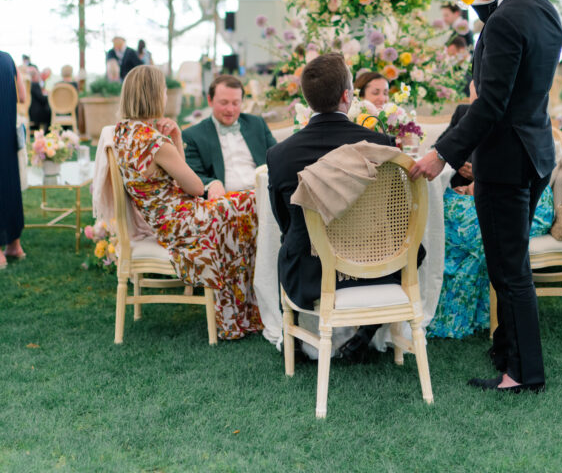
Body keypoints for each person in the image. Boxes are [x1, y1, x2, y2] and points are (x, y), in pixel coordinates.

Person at [412, 0, 562, 393]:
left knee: (508, 269)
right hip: (536, 153)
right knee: (510, 263)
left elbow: (491, 104)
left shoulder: (505, 20)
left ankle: (521, 374)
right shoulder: (544, 12)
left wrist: (443, 153)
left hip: (504, 160)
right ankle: (507, 353)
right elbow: (505, 40)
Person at [112, 65, 261, 340]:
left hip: (164, 220)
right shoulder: (155, 142)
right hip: (182, 222)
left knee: (243, 205)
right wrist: (172, 142)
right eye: (164, 91)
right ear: (155, 95)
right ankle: (239, 313)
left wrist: (177, 137)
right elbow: (193, 187)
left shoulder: (123, 134)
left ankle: (239, 311)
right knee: (251, 204)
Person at [267, 53, 395, 362]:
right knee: (411, 249)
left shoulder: (280, 155)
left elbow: (284, 221)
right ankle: (365, 333)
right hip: (377, 269)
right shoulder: (383, 146)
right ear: (347, 96)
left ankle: (295, 338)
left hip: (311, 273)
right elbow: (393, 216)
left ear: (307, 99)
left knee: (288, 244)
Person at [429, 102, 554, 338]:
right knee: (445, 210)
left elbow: (508, 164)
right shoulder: (468, 112)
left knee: (445, 213)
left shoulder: (507, 114)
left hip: (519, 194)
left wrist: (478, 178)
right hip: (498, 189)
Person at [182, 75, 276, 193]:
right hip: (226, 201)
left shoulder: (257, 123)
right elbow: (193, 175)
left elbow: (277, 158)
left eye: (235, 103)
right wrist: (211, 183)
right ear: (210, 100)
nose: (230, 110)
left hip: (264, 194)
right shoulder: (192, 135)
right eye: (224, 103)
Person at [0, 52, 27, 267]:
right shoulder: (8, 59)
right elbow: (23, 96)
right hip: (7, 136)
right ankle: (14, 246)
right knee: (9, 184)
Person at [28, 66, 51, 132]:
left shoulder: (30, 84)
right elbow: (42, 99)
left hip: (31, 111)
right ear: (35, 76)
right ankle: (47, 131)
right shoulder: (35, 84)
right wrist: (48, 96)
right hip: (36, 113)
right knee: (50, 112)